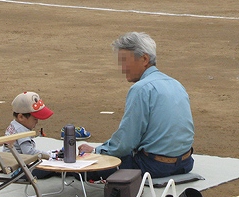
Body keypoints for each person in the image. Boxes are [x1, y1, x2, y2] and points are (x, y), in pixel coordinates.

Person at [78, 32, 194, 179]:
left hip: (153, 166)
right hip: (185, 163)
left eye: (125, 61)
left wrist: (96, 152)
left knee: (85, 168)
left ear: (144, 59)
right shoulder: (176, 84)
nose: (122, 68)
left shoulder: (141, 89)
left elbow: (126, 143)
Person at [4, 91, 54, 178]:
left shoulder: (15, 124)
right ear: (21, 117)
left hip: (11, 165)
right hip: (19, 170)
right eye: (35, 119)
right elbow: (29, 152)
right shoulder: (22, 131)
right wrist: (49, 155)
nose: (37, 121)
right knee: (52, 167)